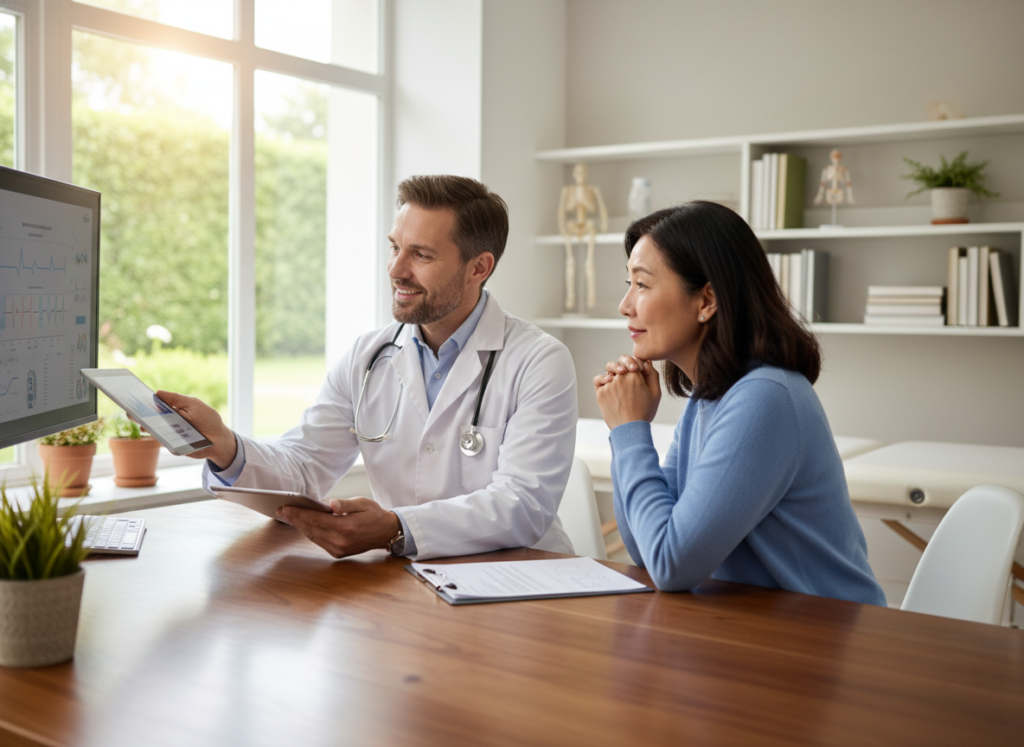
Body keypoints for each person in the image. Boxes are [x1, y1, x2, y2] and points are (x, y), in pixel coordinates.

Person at [162, 175, 578, 561]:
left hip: (520, 587)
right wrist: (225, 446)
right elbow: (306, 468)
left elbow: (524, 505)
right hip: (411, 585)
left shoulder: (539, 361)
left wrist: (396, 528)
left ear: (479, 268)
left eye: (421, 254)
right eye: (395, 247)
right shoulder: (368, 357)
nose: (396, 269)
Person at [593, 201, 885, 605]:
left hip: (827, 641)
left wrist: (630, 431)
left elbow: (669, 564)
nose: (625, 305)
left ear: (707, 300)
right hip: (760, 632)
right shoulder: (710, 395)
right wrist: (625, 431)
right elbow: (646, 549)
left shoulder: (765, 398)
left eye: (641, 285)